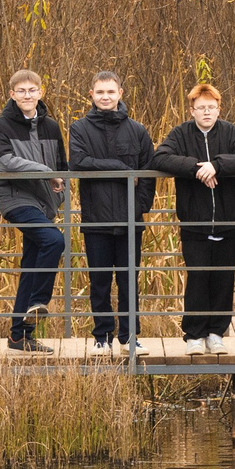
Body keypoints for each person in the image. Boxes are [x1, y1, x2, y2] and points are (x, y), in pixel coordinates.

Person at [153, 83, 235, 353]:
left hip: (227, 219)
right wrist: (196, 167)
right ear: (192, 111)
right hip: (194, 222)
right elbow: (161, 157)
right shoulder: (181, 134)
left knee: (223, 278)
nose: (207, 112)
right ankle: (195, 336)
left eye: (211, 107)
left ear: (218, 108)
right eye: (201, 108)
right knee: (198, 277)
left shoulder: (230, 132)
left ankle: (216, 333)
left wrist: (217, 166)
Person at [68, 70, 157, 351]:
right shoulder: (79, 128)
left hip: (131, 219)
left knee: (130, 280)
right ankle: (102, 336)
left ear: (121, 93)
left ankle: (130, 337)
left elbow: (148, 173)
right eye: (99, 92)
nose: (105, 97)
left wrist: (140, 206)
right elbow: (79, 162)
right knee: (100, 281)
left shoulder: (137, 130)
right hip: (96, 219)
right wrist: (120, 169)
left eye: (110, 92)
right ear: (91, 95)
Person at [0, 69, 68, 352]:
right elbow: (5, 163)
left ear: (40, 92)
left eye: (32, 90)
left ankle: (19, 336)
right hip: (16, 198)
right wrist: (46, 172)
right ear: (12, 94)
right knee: (54, 240)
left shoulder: (52, 127)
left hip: (44, 202)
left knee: (32, 265)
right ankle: (38, 302)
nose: (27, 95)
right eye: (21, 91)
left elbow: (62, 167)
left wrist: (59, 197)